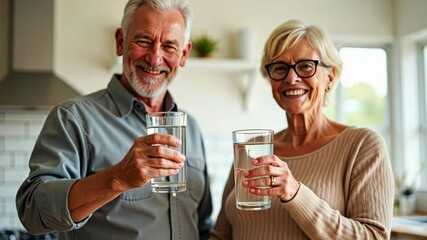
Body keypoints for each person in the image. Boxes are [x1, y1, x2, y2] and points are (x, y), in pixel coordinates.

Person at [15, 0, 213, 239]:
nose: (155, 58)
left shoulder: (190, 128)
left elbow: (201, 223)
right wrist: (117, 178)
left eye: (169, 46)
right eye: (144, 41)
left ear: (183, 54)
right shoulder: (74, 118)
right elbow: (33, 212)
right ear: (120, 42)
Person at [210, 19, 394, 239]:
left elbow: (374, 236)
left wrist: (295, 193)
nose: (291, 78)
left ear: (330, 77)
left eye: (306, 66)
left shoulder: (362, 145)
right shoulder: (252, 149)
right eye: (279, 68)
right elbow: (220, 235)